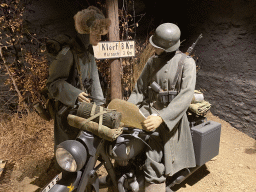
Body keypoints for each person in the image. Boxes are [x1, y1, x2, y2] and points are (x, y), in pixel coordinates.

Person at [127, 23, 197, 191]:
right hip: (147, 111)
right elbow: (139, 90)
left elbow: (185, 96)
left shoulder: (187, 63)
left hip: (171, 118)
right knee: (125, 140)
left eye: (156, 45)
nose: (153, 47)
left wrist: (161, 117)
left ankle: (154, 182)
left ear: (166, 48)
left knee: (154, 154)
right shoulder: (152, 62)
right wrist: (126, 111)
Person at [46, 6, 111, 151]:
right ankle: (66, 172)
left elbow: (95, 83)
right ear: (85, 32)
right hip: (66, 112)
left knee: (85, 147)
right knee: (67, 149)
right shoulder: (67, 54)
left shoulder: (89, 53)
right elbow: (52, 84)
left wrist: (100, 107)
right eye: (96, 33)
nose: (100, 37)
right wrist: (75, 94)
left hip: (84, 110)